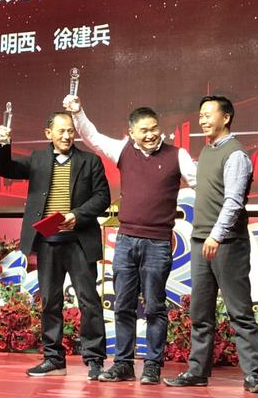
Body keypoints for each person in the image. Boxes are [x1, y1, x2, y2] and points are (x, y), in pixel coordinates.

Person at [62, 94, 196, 385]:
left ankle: (152, 366)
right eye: (143, 130)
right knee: (123, 305)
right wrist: (78, 112)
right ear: (132, 132)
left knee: (155, 307)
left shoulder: (178, 155)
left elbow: (201, 183)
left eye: (154, 128)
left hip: (158, 243)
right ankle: (123, 364)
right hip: (125, 240)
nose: (150, 134)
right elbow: (92, 137)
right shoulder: (122, 150)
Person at [163, 96, 258, 394]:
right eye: (201, 115)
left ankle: (252, 375)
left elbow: (234, 202)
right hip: (201, 241)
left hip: (226, 243)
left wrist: (216, 236)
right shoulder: (208, 151)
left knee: (239, 311)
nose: (203, 120)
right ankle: (197, 371)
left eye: (209, 114)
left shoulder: (236, 155)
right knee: (200, 312)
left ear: (227, 117)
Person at [0, 111, 110, 380]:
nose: (67, 136)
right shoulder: (37, 160)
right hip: (48, 242)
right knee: (50, 302)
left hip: (79, 242)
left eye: (70, 131)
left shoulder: (90, 161)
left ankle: (95, 360)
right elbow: (5, 168)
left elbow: (102, 197)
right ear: (49, 134)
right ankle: (53, 359)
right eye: (61, 131)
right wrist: (2, 144)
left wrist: (77, 215)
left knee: (89, 301)